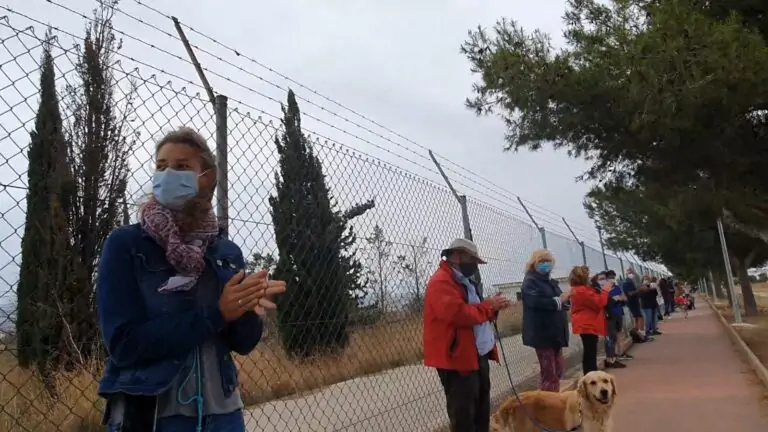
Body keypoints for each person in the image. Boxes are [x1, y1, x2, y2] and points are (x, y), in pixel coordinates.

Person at [96, 127, 287, 432]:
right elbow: (124, 343)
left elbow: (243, 343)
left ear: (206, 177)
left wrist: (247, 307)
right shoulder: (126, 245)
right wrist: (217, 313)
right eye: (161, 166)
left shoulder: (224, 250)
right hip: (153, 414)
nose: (168, 173)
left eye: (182, 166)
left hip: (223, 415)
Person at [423, 238, 511, 432]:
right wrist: (489, 306)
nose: (474, 266)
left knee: (481, 413)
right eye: (471, 260)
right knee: (464, 417)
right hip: (457, 359)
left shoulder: (465, 281)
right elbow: (458, 314)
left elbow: (477, 312)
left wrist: (494, 308)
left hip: (476, 355)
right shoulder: (441, 282)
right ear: (455, 256)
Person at [521, 249, 570, 392]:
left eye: (548, 261)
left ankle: (552, 399)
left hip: (555, 332)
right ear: (534, 263)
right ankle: (548, 404)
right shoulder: (530, 281)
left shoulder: (550, 282)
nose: (545, 264)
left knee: (558, 370)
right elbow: (535, 302)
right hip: (542, 333)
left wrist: (565, 302)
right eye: (541, 261)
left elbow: (561, 299)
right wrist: (558, 301)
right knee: (549, 373)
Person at [570, 267, 612, 375]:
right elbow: (599, 302)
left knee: (590, 351)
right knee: (590, 352)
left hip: (587, 323)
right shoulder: (582, 290)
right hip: (587, 324)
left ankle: (591, 374)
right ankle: (590, 375)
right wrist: (605, 291)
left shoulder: (580, 289)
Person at [602, 270, 630, 368]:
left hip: (618, 312)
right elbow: (604, 302)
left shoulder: (617, 287)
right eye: (610, 277)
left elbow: (624, 298)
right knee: (611, 337)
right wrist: (614, 299)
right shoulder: (604, 290)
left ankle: (620, 352)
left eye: (613, 277)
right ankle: (611, 357)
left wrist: (620, 299)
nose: (612, 279)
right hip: (610, 315)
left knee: (618, 333)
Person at [622, 268, 648, 343]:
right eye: (631, 273)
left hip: (634, 302)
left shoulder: (632, 282)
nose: (632, 274)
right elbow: (630, 293)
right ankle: (640, 334)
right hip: (632, 302)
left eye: (633, 273)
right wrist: (639, 290)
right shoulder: (627, 283)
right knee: (639, 317)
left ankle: (638, 334)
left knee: (637, 317)